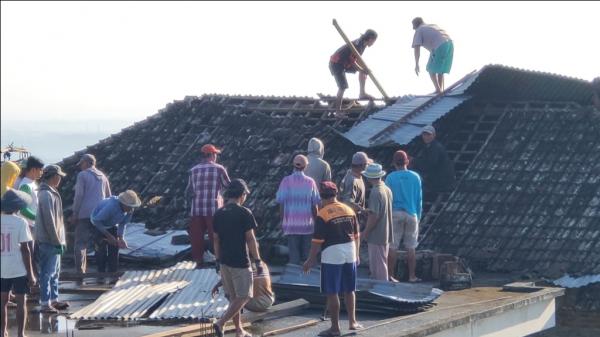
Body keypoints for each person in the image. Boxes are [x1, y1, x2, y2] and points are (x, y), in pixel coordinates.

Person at [303, 181, 362, 337]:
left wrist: (310, 260)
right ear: (336, 194)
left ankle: (335, 328)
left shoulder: (323, 214)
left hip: (332, 252)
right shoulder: (349, 210)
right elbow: (357, 235)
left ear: (321, 196)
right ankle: (352, 322)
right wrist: (357, 254)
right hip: (350, 249)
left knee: (332, 291)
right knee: (350, 289)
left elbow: (317, 241)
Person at [212, 179, 264, 337]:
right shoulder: (244, 213)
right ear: (242, 195)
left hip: (224, 261)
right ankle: (221, 323)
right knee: (244, 296)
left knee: (234, 298)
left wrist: (217, 259)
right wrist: (258, 260)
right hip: (240, 261)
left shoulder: (219, 213)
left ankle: (239, 330)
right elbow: (250, 239)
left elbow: (215, 239)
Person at [185, 144, 231, 268]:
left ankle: (198, 261)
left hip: (196, 208)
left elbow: (189, 190)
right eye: (215, 154)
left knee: (196, 237)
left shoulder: (193, 170)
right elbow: (229, 186)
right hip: (213, 208)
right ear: (212, 155)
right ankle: (219, 260)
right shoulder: (219, 169)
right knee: (216, 235)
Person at [1, 190, 37, 337]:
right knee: (21, 302)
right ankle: (21, 334)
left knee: (2, 302)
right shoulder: (20, 222)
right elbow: (25, 249)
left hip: (2, 269)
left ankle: (2, 332)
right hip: (18, 269)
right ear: (17, 208)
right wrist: (31, 274)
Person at [70, 154, 112, 274]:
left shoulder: (82, 175)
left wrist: (75, 213)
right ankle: (101, 272)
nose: (80, 167)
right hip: (100, 215)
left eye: (81, 164)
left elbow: (79, 195)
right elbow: (109, 196)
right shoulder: (103, 177)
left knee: (80, 244)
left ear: (87, 163)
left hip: (85, 214)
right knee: (100, 243)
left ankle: (80, 272)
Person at [35, 164, 69, 313]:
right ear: (54, 176)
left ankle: (54, 300)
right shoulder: (45, 194)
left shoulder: (51, 192)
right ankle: (45, 302)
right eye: (59, 176)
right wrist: (56, 241)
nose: (60, 179)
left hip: (55, 240)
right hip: (49, 241)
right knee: (47, 273)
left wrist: (62, 241)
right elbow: (49, 221)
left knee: (55, 272)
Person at [385, 150, 423, 282]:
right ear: (407, 161)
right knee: (411, 247)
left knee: (393, 246)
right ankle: (412, 276)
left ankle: (390, 275)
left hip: (395, 213)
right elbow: (419, 199)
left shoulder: (390, 177)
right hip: (411, 213)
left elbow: (387, 199)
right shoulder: (415, 177)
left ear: (395, 163)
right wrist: (418, 216)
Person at [276, 154, 321, 265]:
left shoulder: (286, 181)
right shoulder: (310, 182)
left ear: (293, 165)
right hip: (307, 224)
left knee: (294, 256)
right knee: (307, 255)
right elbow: (315, 204)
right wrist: (317, 221)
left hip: (291, 224)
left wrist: (283, 220)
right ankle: (307, 278)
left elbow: (281, 203)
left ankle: (293, 277)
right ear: (305, 167)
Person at [90, 190, 141, 273]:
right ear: (123, 204)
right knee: (101, 251)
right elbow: (97, 221)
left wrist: (121, 238)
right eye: (129, 206)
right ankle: (101, 274)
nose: (131, 209)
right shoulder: (111, 206)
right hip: (98, 224)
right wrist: (109, 236)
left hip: (112, 225)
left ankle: (113, 274)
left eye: (133, 206)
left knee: (114, 249)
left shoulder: (130, 210)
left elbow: (122, 223)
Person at [329, 29, 378, 113]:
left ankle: (362, 93)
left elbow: (357, 59)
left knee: (364, 70)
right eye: (374, 41)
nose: (373, 43)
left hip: (345, 63)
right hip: (336, 63)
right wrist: (361, 69)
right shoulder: (358, 44)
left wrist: (364, 69)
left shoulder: (363, 44)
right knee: (343, 86)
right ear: (371, 39)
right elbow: (352, 60)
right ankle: (337, 112)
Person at [361, 163, 393, 281]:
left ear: (369, 177)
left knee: (378, 268)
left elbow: (374, 216)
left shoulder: (375, 192)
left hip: (377, 235)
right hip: (386, 232)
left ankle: (381, 291)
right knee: (382, 262)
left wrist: (365, 232)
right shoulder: (386, 189)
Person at [411, 17, 454, 93]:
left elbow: (416, 48)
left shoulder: (419, 30)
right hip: (450, 44)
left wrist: (416, 64)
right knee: (440, 70)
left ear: (416, 24)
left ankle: (438, 90)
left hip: (440, 45)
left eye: (413, 25)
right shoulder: (431, 25)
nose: (412, 28)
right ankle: (440, 90)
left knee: (430, 69)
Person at [411, 125, 456, 193]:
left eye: (428, 135)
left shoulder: (435, 147)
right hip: (440, 178)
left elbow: (429, 165)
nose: (426, 137)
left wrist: (414, 161)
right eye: (424, 135)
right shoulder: (429, 146)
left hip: (442, 181)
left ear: (434, 135)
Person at [339, 152, 371, 227]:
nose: (367, 166)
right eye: (366, 164)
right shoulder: (352, 180)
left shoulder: (357, 176)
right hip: (350, 221)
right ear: (361, 166)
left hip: (354, 219)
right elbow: (347, 202)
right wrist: (362, 210)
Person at [17, 156, 44, 227]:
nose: (42, 172)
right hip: (28, 225)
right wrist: (39, 218)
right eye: (40, 169)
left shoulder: (32, 183)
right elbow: (23, 209)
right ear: (33, 170)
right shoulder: (25, 185)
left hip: (33, 224)